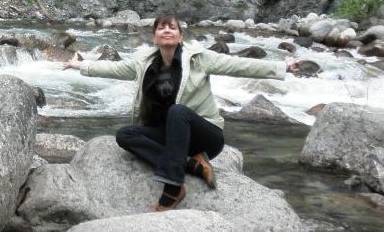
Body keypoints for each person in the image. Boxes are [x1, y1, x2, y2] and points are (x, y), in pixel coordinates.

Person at [64, 14, 298, 212]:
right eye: (161, 27)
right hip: (172, 136)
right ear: (154, 36)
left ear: (180, 36)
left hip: (206, 136)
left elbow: (239, 65)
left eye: (172, 27)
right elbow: (113, 68)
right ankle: (193, 165)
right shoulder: (143, 62)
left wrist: (281, 67)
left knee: (178, 111)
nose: (166, 30)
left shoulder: (199, 58)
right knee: (125, 135)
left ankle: (174, 187)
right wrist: (79, 65)